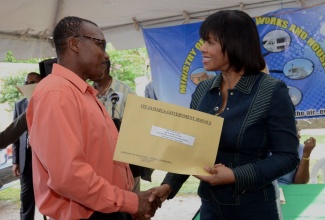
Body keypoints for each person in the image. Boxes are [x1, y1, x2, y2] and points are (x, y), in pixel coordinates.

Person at [149, 10, 299, 220]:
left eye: (210, 42)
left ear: (235, 44)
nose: (203, 48)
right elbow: (189, 146)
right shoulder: (203, 90)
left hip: (253, 210)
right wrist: (168, 185)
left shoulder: (271, 91)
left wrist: (235, 175)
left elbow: (288, 157)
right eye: (203, 41)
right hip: (210, 208)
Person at [26, 16, 160, 220]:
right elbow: (69, 176)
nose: (106, 56)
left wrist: (127, 204)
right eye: (100, 45)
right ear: (74, 44)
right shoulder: (56, 93)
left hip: (107, 208)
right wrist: (130, 202)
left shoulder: (82, 93)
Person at [93, 59, 147, 192]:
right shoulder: (86, 93)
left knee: (131, 203)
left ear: (104, 66)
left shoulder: (125, 91)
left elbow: (139, 124)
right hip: (98, 162)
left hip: (125, 162)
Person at [12, 72, 42, 220]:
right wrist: (15, 161)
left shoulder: (47, 101)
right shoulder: (19, 105)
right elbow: (15, 136)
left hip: (43, 160)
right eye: (27, 83)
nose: (29, 86)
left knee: (50, 199)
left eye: (33, 82)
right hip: (26, 161)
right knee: (26, 199)